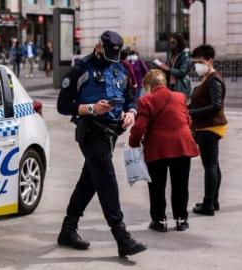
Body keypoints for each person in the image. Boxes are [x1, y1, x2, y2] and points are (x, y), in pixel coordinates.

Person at [56, 30, 147, 257]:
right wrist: (90, 108)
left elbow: (130, 96)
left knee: (90, 180)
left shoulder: (120, 67)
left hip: (112, 133)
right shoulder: (81, 69)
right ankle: (121, 236)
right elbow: (63, 104)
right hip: (91, 131)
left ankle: (68, 228)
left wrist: (131, 113)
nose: (111, 60)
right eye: (107, 54)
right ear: (98, 47)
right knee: (106, 179)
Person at [129, 69, 199, 232]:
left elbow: (139, 128)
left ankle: (160, 221)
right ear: (164, 83)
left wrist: (133, 144)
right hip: (182, 145)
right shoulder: (180, 97)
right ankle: (181, 220)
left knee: (157, 187)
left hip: (157, 148)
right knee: (181, 184)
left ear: (149, 85)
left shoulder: (146, 100)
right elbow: (187, 119)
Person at [189, 44, 228, 216]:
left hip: (210, 127)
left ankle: (208, 204)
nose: (196, 65)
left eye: (199, 62)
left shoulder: (214, 79)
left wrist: (191, 112)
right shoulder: (207, 78)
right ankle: (214, 200)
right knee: (214, 165)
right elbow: (201, 102)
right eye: (195, 62)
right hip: (207, 125)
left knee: (210, 166)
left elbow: (216, 105)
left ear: (209, 61)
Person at [155, 33, 192, 99]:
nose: (171, 44)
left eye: (173, 42)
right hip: (170, 85)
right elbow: (170, 68)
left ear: (179, 43)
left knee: (178, 107)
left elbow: (182, 72)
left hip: (180, 87)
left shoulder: (185, 56)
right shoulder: (174, 54)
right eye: (170, 42)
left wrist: (168, 68)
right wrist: (162, 66)